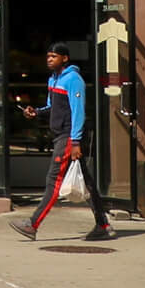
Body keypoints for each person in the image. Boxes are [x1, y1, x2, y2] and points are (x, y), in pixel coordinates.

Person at [11, 41, 114, 242]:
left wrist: (75, 142)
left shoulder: (73, 79)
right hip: (62, 136)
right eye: (48, 56)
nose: (49, 60)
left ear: (64, 58)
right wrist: (36, 112)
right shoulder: (53, 79)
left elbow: (78, 112)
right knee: (88, 183)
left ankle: (32, 224)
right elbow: (52, 107)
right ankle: (102, 224)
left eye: (54, 57)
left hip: (68, 137)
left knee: (53, 180)